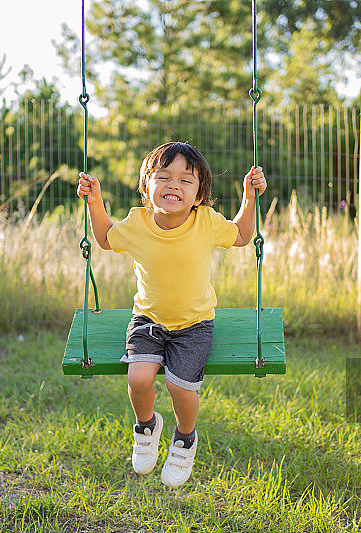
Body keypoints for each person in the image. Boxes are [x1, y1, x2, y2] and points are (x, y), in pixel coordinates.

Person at [76, 141, 266, 487]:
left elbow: (240, 235)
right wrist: (95, 200)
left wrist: (249, 197)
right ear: (146, 187)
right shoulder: (137, 223)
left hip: (195, 325)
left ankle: (184, 438)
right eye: (163, 177)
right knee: (138, 379)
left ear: (199, 195)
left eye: (185, 180)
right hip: (148, 321)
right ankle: (146, 426)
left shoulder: (205, 222)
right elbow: (104, 238)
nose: (173, 185)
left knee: (180, 387)